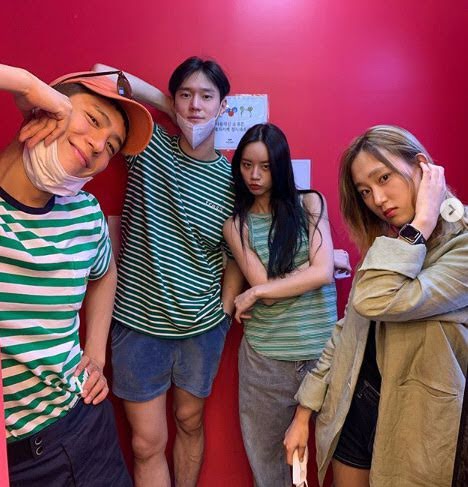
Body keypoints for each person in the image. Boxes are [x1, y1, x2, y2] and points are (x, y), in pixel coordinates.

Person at [284, 125, 468, 487]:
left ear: (422, 167)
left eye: (384, 178)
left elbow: (376, 299)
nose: (378, 199)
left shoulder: (460, 245)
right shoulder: (388, 246)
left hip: (418, 421)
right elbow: (346, 331)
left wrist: (423, 221)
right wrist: (303, 413)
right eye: (365, 191)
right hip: (355, 406)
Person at [0, 64, 153, 486]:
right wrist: (26, 84)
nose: (99, 146)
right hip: (17, 461)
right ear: (47, 107)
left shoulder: (85, 214)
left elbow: (105, 272)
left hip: (86, 429)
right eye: (93, 120)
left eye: (112, 147)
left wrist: (96, 356)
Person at [94, 58, 244, 487]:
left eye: (207, 97)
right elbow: (104, 75)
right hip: (138, 324)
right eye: (185, 95)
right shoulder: (148, 144)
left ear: (224, 106)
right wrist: (172, 109)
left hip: (202, 328)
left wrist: (224, 312)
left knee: (189, 422)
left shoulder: (234, 180)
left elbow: (236, 255)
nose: (196, 105)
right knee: (146, 444)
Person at [222, 122, 340, 486]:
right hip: (266, 360)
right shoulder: (237, 224)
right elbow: (270, 284)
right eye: (247, 165)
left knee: (343, 457)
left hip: (324, 355)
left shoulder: (310, 202)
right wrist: (320, 266)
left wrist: (257, 293)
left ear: (281, 166)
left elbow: (319, 274)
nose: (255, 176)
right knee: (269, 467)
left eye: (266, 166)